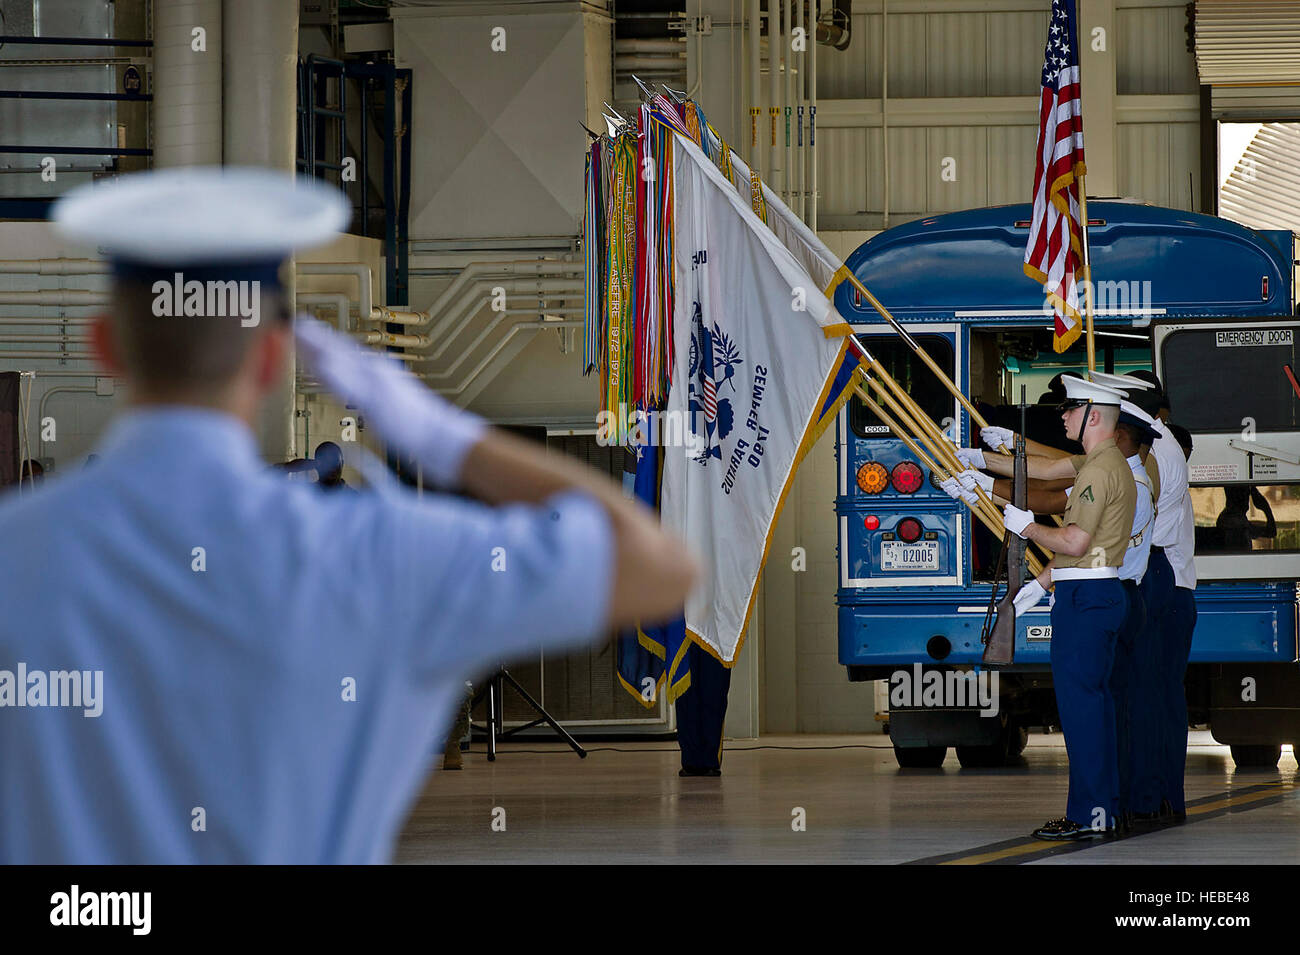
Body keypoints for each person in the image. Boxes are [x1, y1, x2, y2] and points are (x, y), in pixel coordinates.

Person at [0, 167, 698, 864]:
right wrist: (448, 437)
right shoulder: (380, 552)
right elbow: (659, 566)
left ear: (106, 346)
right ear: (272, 358)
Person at [961, 376, 1136, 839]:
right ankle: (1102, 810)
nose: (1063, 415)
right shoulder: (1103, 462)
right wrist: (1041, 583)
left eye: (1070, 409)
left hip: (1087, 598)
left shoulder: (1100, 470)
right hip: (1089, 591)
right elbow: (1051, 474)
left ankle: (1088, 816)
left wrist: (1027, 527)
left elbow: (1075, 540)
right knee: (1093, 712)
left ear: (1093, 415)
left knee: (1083, 714)